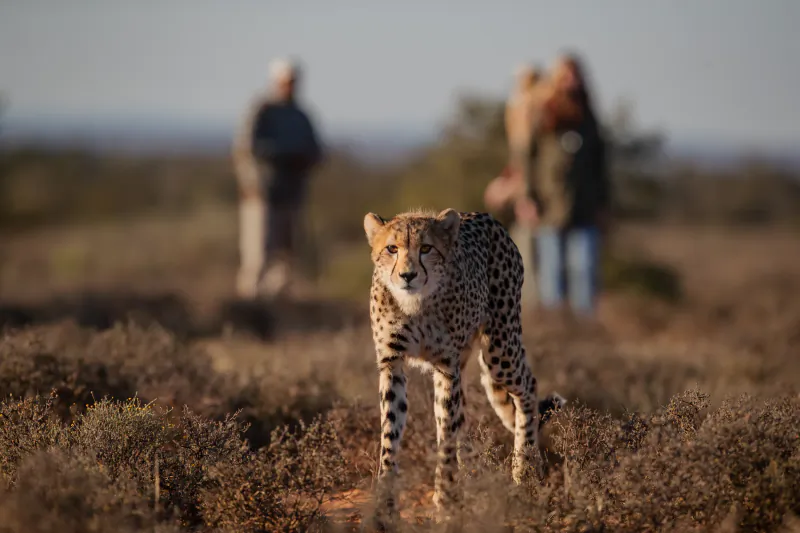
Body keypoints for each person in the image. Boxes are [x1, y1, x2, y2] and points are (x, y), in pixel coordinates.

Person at [232, 58, 323, 300]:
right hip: (262, 196)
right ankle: (248, 307)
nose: (290, 86)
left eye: (293, 82)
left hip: (292, 196)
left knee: (287, 259)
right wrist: (252, 184)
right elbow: (245, 150)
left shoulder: (301, 115)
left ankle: (278, 309)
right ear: (276, 81)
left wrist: (300, 160)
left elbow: (316, 152)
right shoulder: (262, 111)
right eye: (285, 81)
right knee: (258, 257)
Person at [529, 52, 610, 318]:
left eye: (575, 75)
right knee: (552, 270)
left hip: (584, 207)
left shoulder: (589, 116)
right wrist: (528, 198)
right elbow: (528, 159)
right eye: (565, 76)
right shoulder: (543, 114)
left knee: (584, 267)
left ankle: (584, 326)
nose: (570, 82)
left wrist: (602, 203)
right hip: (550, 207)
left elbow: (601, 163)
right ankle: (555, 325)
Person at [485, 64, 546, 309]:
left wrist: (520, 193)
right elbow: (518, 160)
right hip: (523, 198)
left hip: (538, 202)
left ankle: (540, 312)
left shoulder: (539, 113)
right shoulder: (518, 112)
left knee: (532, 259)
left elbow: (535, 165)